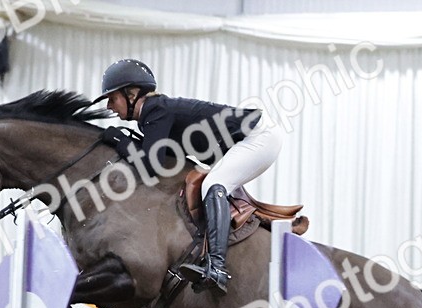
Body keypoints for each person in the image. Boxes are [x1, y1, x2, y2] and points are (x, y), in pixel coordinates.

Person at [96, 59, 284, 294]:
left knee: (214, 184)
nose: (109, 107)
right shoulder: (154, 114)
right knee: (213, 183)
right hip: (255, 137)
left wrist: (117, 139)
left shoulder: (156, 110)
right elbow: (158, 157)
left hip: (259, 136)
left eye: (112, 99)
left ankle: (217, 267)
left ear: (132, 93)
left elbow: (148, 164)